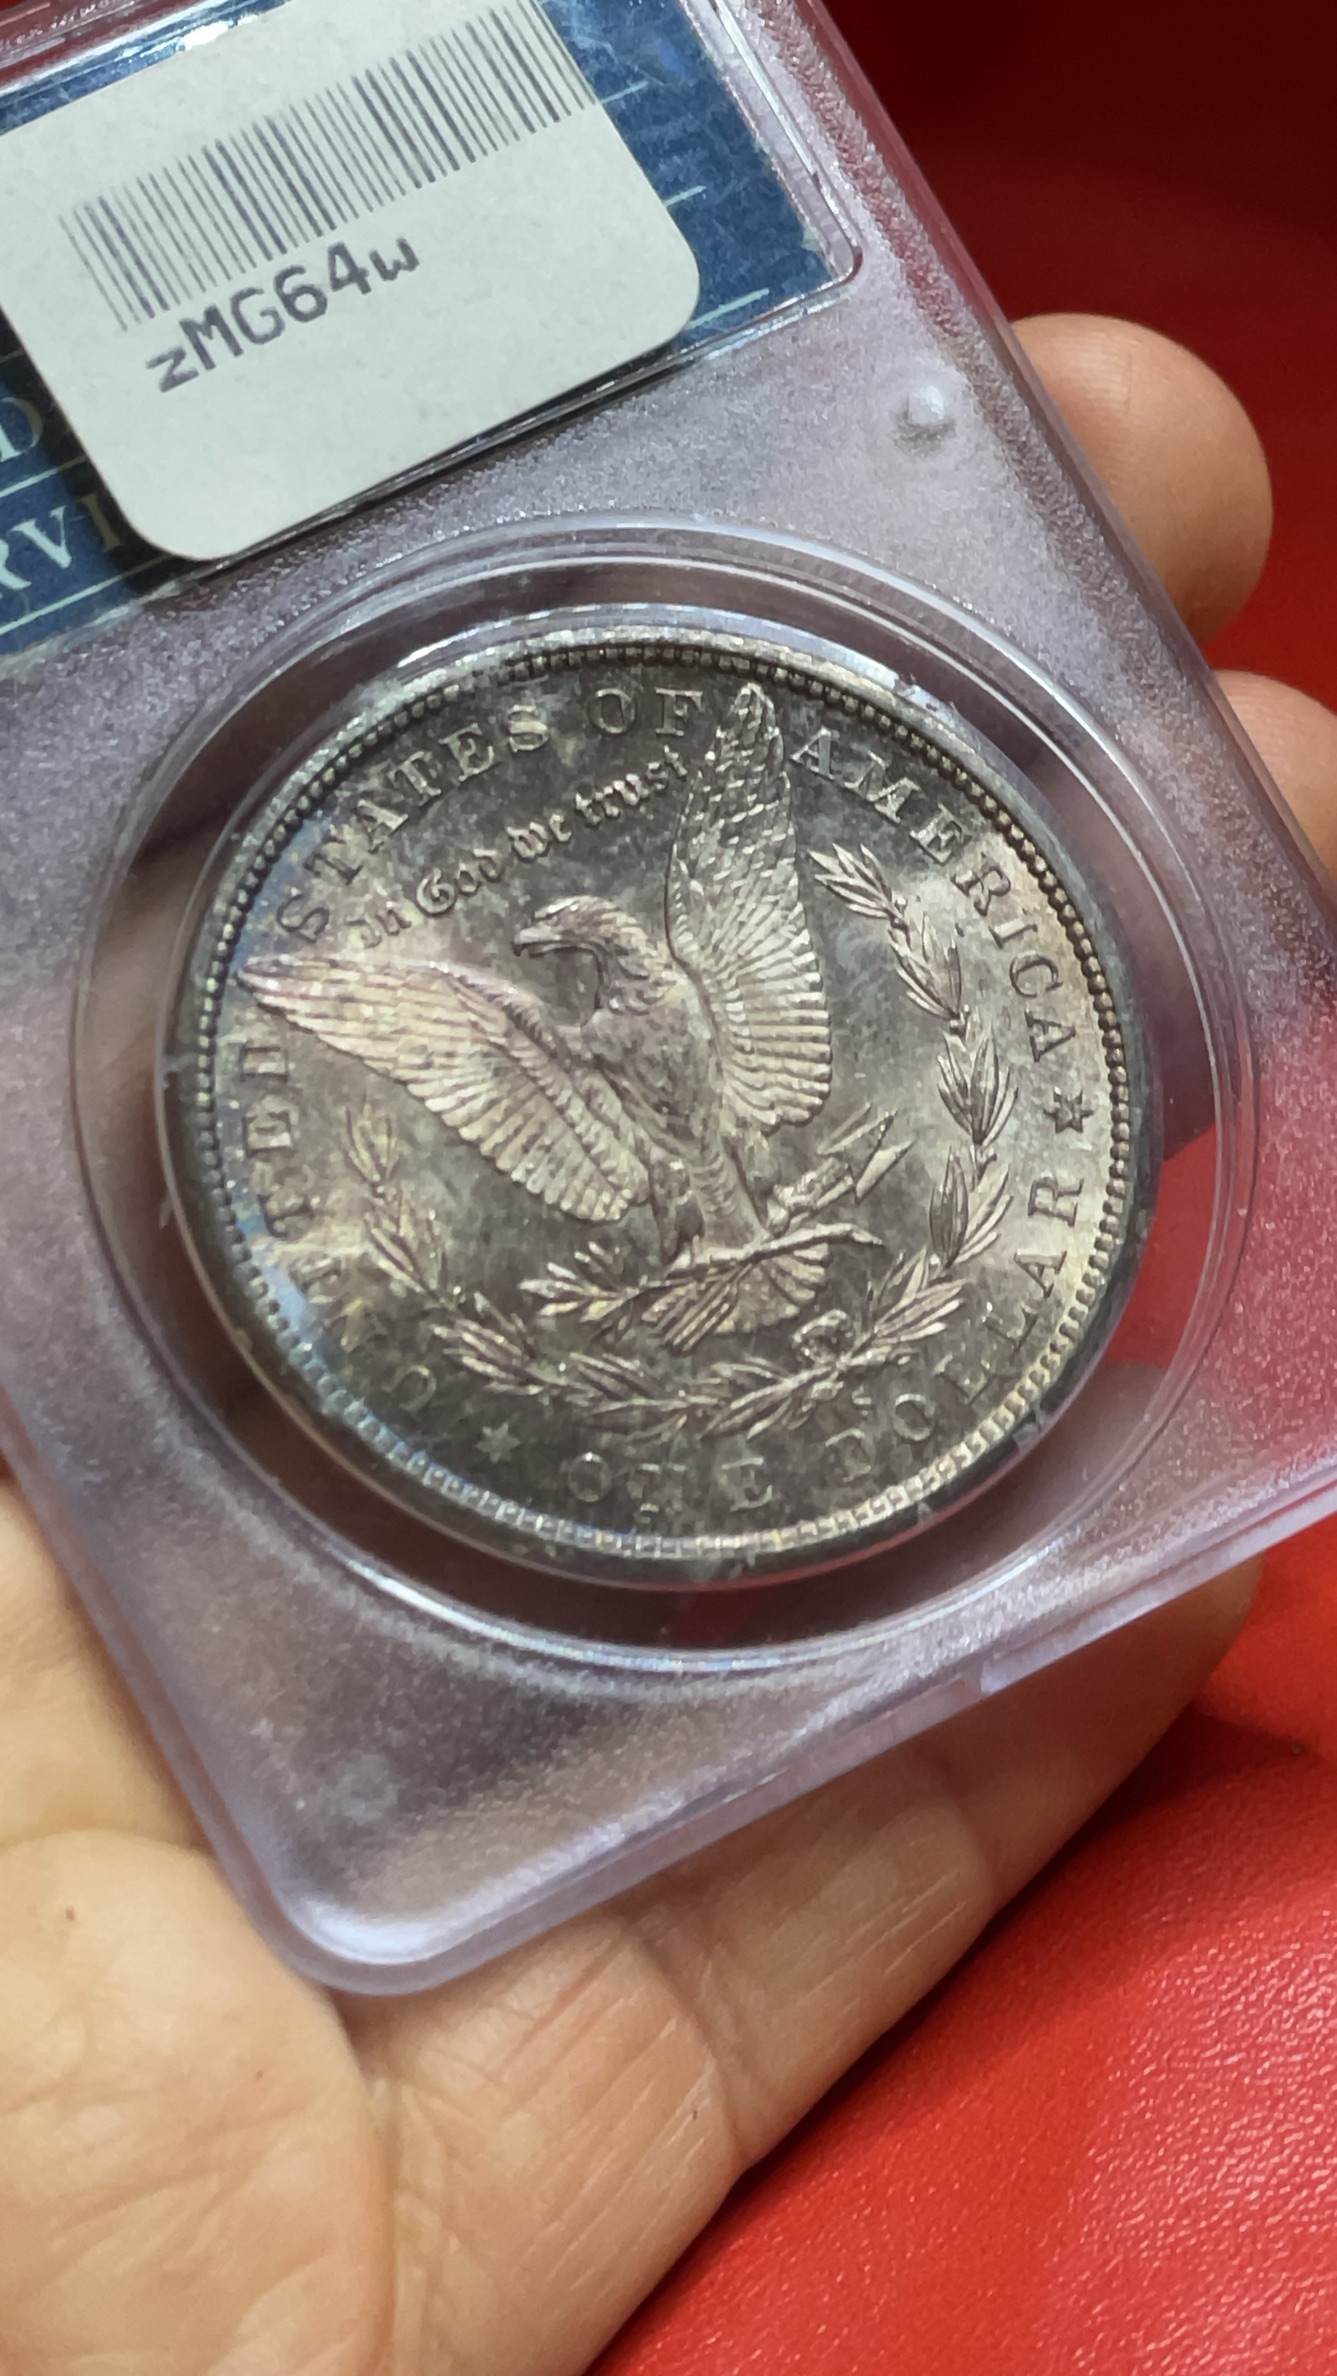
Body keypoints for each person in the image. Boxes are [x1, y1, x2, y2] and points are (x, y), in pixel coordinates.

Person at [1, 312, 1335, 2376]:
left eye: (577, 942)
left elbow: (723, 900)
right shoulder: (524, 1035)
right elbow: (434, 1023)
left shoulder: (699, 978)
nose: (561, 952)